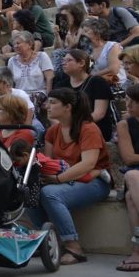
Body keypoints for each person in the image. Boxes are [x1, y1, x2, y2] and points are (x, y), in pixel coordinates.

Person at [27, 88, 111, 265]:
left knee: (50, 193)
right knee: (29, 190)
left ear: (68, 107)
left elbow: (88, 164)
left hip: (94, 180)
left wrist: (58, 179)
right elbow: (49, 162)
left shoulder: (88, 129)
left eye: (52, 102)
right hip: (66, 178)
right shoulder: (53, 131)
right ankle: (46, 242)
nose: (46, 106)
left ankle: (73, 247)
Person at [116, 83, 139, 272]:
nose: (128, 105)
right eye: (127, 99)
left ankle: (138, 253)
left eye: (134, 101)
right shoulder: (125, 125)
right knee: (132, 174)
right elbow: (129, 158)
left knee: (131, 197)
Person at [81, 18, 127, 88]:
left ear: (97, 33)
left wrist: (90, 77)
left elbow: (113, 69)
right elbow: (90, 68)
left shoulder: (112, 46)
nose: (82, 34)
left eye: (86, 31)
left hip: (117, 85)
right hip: (98, 85)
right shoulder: (88, 50)